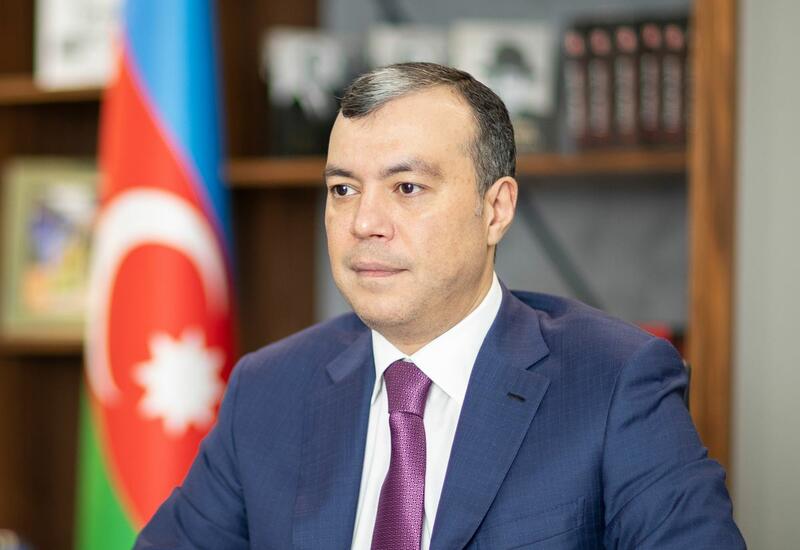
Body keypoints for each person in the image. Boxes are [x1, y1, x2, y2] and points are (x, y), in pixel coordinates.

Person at [136, 62, 744, 549]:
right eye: (343, 189)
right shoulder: (268, 390)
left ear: (496, 209)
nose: (364, 222)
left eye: (407, 188)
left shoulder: (614, 381)